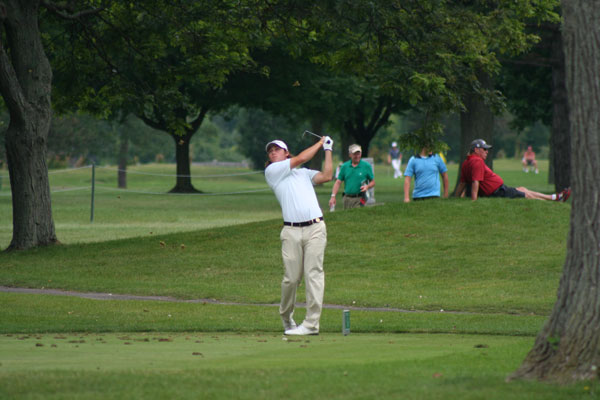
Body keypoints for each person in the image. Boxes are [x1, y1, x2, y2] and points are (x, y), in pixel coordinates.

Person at [265, 136, 333, 336]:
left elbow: (327, 176)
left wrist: (328, 149)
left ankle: (311, 324)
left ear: (286, 152)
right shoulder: (272, 171)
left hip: (316, 228)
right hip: (291, 231)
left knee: (314, 275)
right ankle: (287, 318)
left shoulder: (303, 173)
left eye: (276, 149)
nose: (272, 153)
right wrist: (320, 143)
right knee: (291, 279)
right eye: (270, 151)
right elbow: (302, 157)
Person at [456, 139, 571, 202]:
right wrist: (474, 201)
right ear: (476, 150)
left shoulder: (467, 162)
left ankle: (554, 197)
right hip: (497, 192)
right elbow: (475, 182)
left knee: (523, 189)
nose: (487, 151)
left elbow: (462, 183)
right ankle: (553, 202)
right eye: (484, 149)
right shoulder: (477, 161)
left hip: (500, 189)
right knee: (526, 195)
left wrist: (455, 198)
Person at [329, 144, 375, 210]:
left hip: (360, 198)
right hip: (346, 198)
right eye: (355, 154)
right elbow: (338, 182)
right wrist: (333, 196)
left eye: (358, 154)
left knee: (357, 215)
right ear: (350, 155)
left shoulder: (366, 166)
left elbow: (373, 182)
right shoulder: (344, 166)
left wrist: (367, 186)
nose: (357, 156)